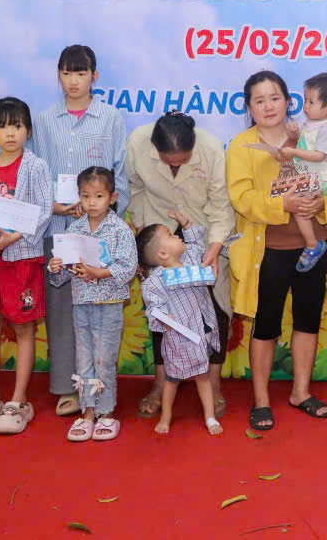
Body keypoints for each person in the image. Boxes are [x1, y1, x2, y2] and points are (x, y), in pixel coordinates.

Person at [226, 71, 327, 431]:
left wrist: (322, 203)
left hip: (314, 248)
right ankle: (261, 399)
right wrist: (283, 204)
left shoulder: (310, 133)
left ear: (288, 101)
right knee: (265, 324)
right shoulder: (241, 145)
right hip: (268, 251)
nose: (268, 106)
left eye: (275, 98)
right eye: (259, 100)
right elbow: (241, 197)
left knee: (307, 321)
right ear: (249, 107)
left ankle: (300, 392)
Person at [30, 44, 127, 419]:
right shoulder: (43, 120)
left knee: (99, 314)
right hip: (59, 227)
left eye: (81, 73)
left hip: (100, 233)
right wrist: (53, 207)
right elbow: (36, 173)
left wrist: (102, 212)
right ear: (58, 75)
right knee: (62, 313)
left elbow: (120, 172)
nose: (74, 81)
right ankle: (66, 388)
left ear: (94, 76)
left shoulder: (110, 118)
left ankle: (100, 389)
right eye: (67, 73)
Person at [125, 111, 236, 421]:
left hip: (202, 231)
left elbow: (221, 205)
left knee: (215, 309)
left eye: (182, 161)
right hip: (159, 234)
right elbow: (135, 190)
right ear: (154, 147)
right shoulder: (137, 143)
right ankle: (161, 385)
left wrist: (214, 248)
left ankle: (213, 383)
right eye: (167, 161)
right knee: (162, 310)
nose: (174, 166)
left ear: (193, 145)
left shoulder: (211, 149)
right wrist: (143, 233)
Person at [0, 97, 53, 436]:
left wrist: (13, 237)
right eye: (2, 127)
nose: (10, 133)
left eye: (17, 126)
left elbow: (44, 210)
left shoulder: (36, 166)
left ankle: (18, 401)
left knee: (23, 328)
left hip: (20, 260)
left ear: (28, 130)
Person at [47, 167, 138, 442]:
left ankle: (106, 413)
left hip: (109, 303)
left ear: (112, 197)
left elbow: (128, 267)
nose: (91, 202)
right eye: (85, 196)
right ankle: (87, 413)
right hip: (81, 303)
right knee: (84, 359)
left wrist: (100, 272)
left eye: (99, 196)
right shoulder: (74, 229)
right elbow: (63, 276)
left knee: (104, 359)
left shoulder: (120, 229)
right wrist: (56, 267)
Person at [138, 211, 224, 437]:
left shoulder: (191, 259)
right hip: (177, 337)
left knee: (203, 375)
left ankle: (209, 416)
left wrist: (186, 224)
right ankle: (166, 415)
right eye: (170, 234)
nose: (176, 235)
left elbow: (196, 242)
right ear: (162, 253)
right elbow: (154, 308)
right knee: (172, 379)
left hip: (201, 329)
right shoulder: (154, 281)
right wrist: (165, 317)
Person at [277, 72, 327, 270]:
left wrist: (293, 151)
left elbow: (318, 155)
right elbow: (306, 144)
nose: (306, 106)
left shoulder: (326, 129)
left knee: (299, 206)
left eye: (311, 102)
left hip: (321, 180)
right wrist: (295, 135)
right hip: (316, 178)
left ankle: (312, 245)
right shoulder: (314, 125)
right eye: (305, 100)